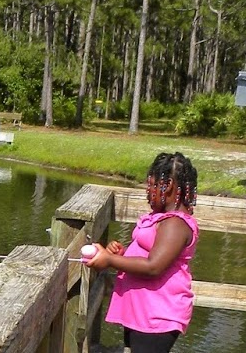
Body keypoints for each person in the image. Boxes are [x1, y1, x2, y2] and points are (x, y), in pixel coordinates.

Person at [84, 151, 199, 353]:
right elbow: (152, 253)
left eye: (152, 186)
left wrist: (110, 260)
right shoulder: (162, 217)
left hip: (157, 315)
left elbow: (154, 266)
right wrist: (124, 254)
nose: (148, 193)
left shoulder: (175, 224)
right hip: (143, 310)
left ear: (169, 186)